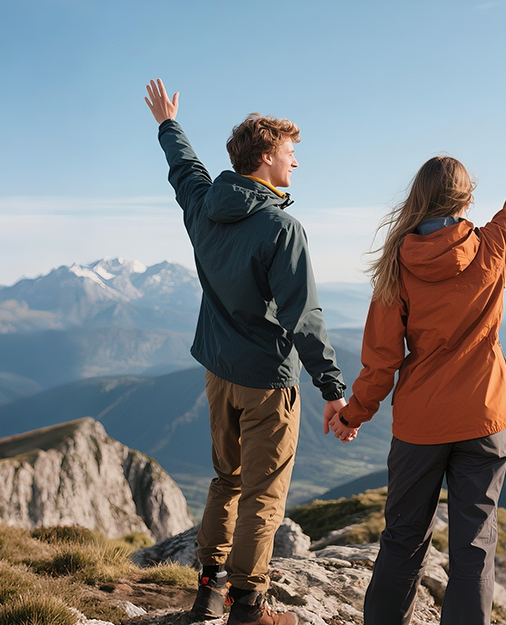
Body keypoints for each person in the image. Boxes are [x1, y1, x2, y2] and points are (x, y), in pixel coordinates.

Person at [326, 64, 506, 625]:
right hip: (485, 418)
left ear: (417, 201)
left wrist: (354, 413)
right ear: (467, 201)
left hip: (420, 425)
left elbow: (381, 360)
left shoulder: (397, 267)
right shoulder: (492, 247)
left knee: (401, 544)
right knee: (473, 552)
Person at [145, 79, 348, 625]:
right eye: (290, 153)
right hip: (267, 381)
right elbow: (304, 318)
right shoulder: (282, 228)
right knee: (262, 496)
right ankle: (249, 605)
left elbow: (184, 171)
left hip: (218, 373)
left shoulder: (206, 209)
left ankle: (208, 592)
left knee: (225, 481)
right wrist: (333, 388)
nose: (296, 164)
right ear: (265, 157)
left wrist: (169, 124)